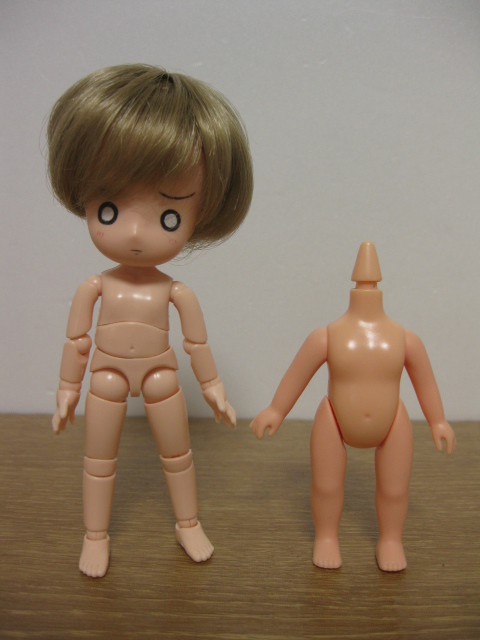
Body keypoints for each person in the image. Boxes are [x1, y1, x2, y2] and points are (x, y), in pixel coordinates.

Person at [49, 64, 253, 577]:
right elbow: (77, 341)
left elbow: (196, 344)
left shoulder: (176, 291)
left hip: (161, 372)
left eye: (169, 217)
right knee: (98, 459)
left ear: (201, 216)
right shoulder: (95, 286)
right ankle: (95, 535)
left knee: (178, 454)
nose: (137, 233)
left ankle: (188, 523)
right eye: (110, 209)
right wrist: (67, 389)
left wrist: (213, 388)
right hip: (106, 373)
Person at [250, 242, 456, 572]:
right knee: (326, 485)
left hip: (392, 423)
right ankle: (326, 537)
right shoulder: (327, 336)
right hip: (334, 420)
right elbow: (298, 373)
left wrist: (438, 421)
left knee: (394, 489)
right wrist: (276, 409)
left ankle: (391, 540)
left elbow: (425, 382)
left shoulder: (405, 340)